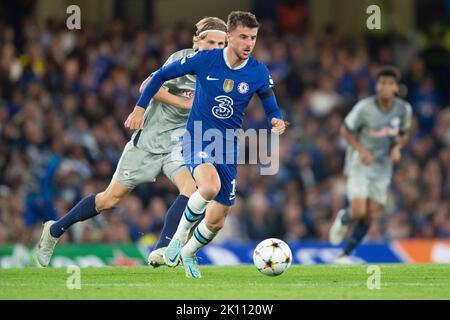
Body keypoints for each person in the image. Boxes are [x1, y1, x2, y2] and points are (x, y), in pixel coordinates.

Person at [35, 17, 227, 268]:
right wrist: (175, 105)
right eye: (209, 41)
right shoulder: (181, 61)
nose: (214, 47)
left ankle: (162, 248)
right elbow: (147, 85)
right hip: (148, 143)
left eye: (220, 43)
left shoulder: (223, 72)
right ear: (197, 42)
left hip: (178, 145)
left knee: (192, 189)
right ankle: (54, 230)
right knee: (109, 200)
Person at [131, 11, 287, 278]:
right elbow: (158, 77)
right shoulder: (205, 60)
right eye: (243, 37)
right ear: (229, 38)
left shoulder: (258, 71)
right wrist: (139, 108)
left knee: (217, 219)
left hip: (228, 145)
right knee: (209, 186)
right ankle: (178, 238)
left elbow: (270, 104)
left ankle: (189, 252)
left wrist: (277, 120)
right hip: (198, 135)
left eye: (253, 38)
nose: (249, 43)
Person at [329, 66, 412, 263]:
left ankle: (344, 254)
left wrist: (397, 148)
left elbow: (404, 134)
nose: (385, 86)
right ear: (377, 86)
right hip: (360, 163)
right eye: (382, 82)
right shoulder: (364, 108)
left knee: (370, 214)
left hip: (383, 167)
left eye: (390, 83)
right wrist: (361, 150)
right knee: (358, 211)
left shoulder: (403, 109)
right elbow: (345, 131)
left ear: (396, 88)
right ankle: (343, 218)